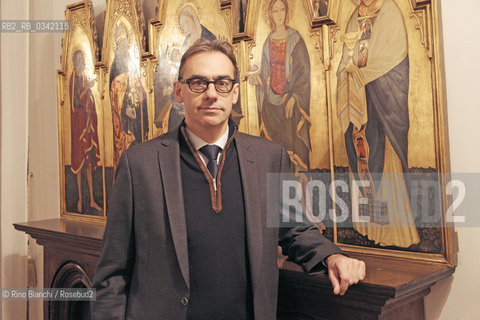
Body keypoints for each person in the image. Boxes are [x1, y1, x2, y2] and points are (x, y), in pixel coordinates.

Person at [92, 39, 365, 319]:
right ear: (178, 91)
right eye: (198, 83)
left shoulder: (269, 158)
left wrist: (332, 256)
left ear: (235, 92)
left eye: (222, 83)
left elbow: (294, 228)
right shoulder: (139, 164)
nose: (211, 93)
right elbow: (112, 274)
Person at [336, 0, 419, 247]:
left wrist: (364, 73)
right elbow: (346, 57)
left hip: (382, 100)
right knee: (361, 157)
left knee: (382, 157)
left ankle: (392, 232)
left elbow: (395, 55)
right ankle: (369, 226)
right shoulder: (354, 16)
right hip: (358, 98)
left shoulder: (390, 11)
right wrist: (345, 72)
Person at [251, 0, 312, 172]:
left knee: (293, 151)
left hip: (290, 104)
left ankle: (298, 192)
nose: (279, 14)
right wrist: (258, 82)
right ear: (270, 14)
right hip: (270, 105)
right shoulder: (266, 42)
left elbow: (303, 73)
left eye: (282, 10)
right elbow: (264, 74)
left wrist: (295, 97)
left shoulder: (296, 39)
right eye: (275, 11)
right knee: (274, 153)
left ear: (287, 12)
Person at [109, 22, 149, 171]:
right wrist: (125, 109)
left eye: (127, 44)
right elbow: (115, 93)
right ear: (118, 46)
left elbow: (140, 87)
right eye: (123, 45)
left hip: (136, 115)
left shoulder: (130, 62)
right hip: (125, 120)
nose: (126, 48)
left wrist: (142, 97)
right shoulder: (116, 65)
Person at [69, 50, 102, 213]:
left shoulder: (83, 75)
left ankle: (92, 201)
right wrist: (87, 87)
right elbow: (76, 102)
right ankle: (80, 200)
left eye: (83, 59)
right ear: (74, 61)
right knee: (80, 163)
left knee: (88, 164)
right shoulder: (74, 76)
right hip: (79, 125)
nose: (81, 61)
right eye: (79, 59)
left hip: (88, 124)